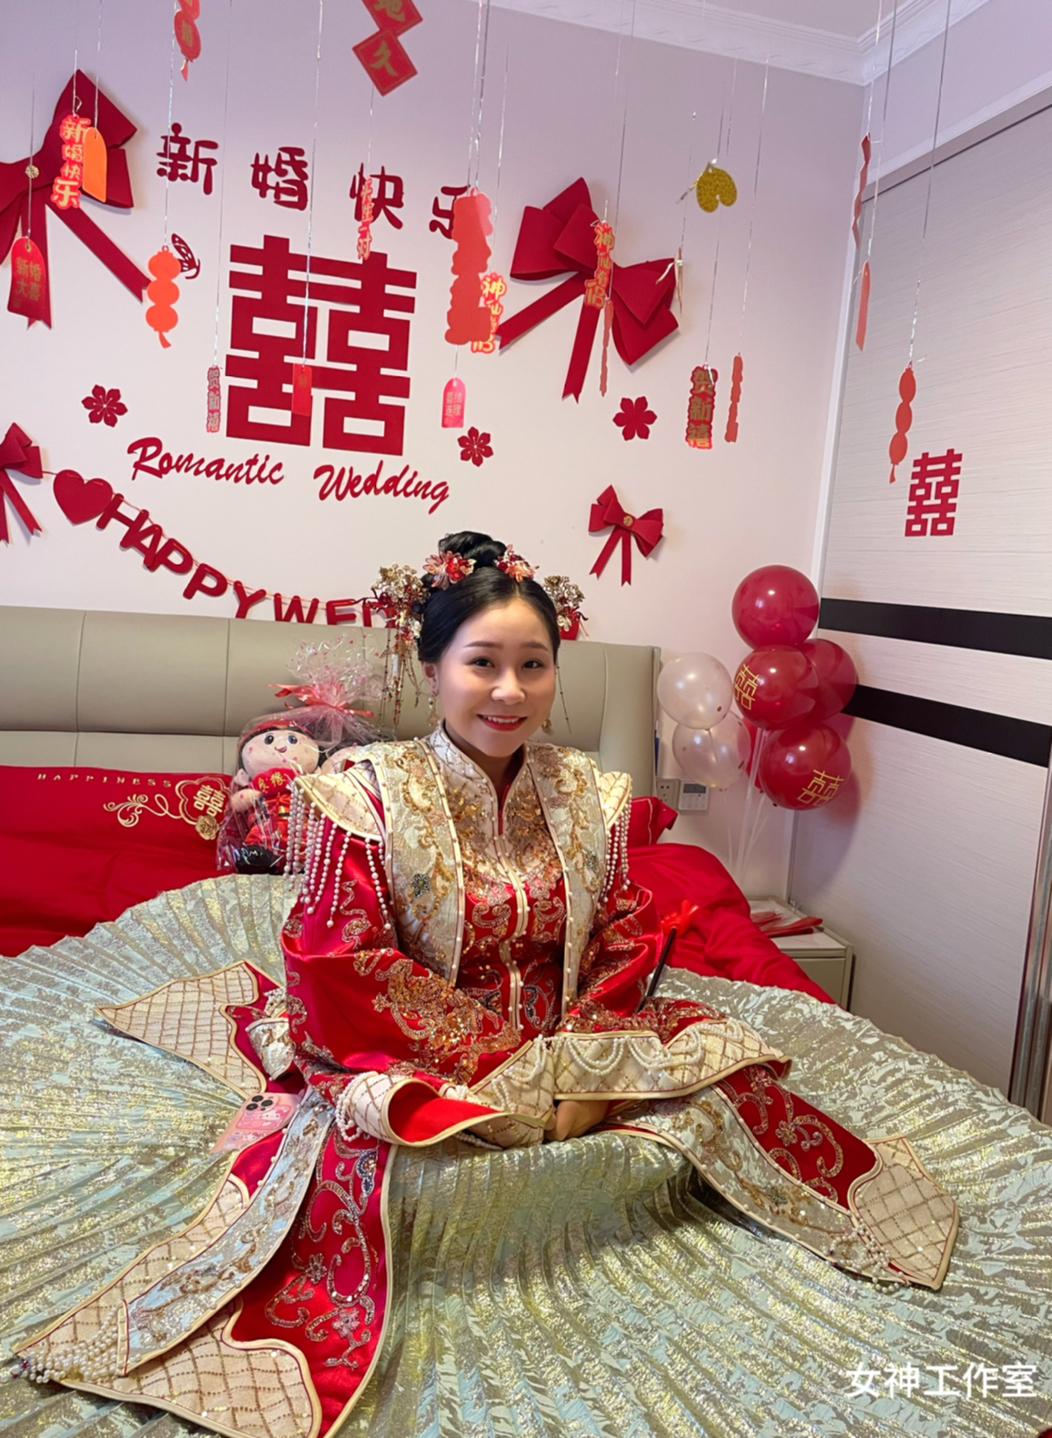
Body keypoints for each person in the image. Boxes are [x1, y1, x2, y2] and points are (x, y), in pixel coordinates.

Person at [13, 531, 1031, 1438]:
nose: (509, 691)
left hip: (572, 1044)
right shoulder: (356, 795)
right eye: (483, 663)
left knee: (730, 1077)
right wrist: (507, 1066)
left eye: (532, 665)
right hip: (410, 1053)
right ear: (431, 669)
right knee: (363, 1154)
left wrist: (580, 1055)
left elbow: (625, 932)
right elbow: (341, 959)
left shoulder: (591, 794)